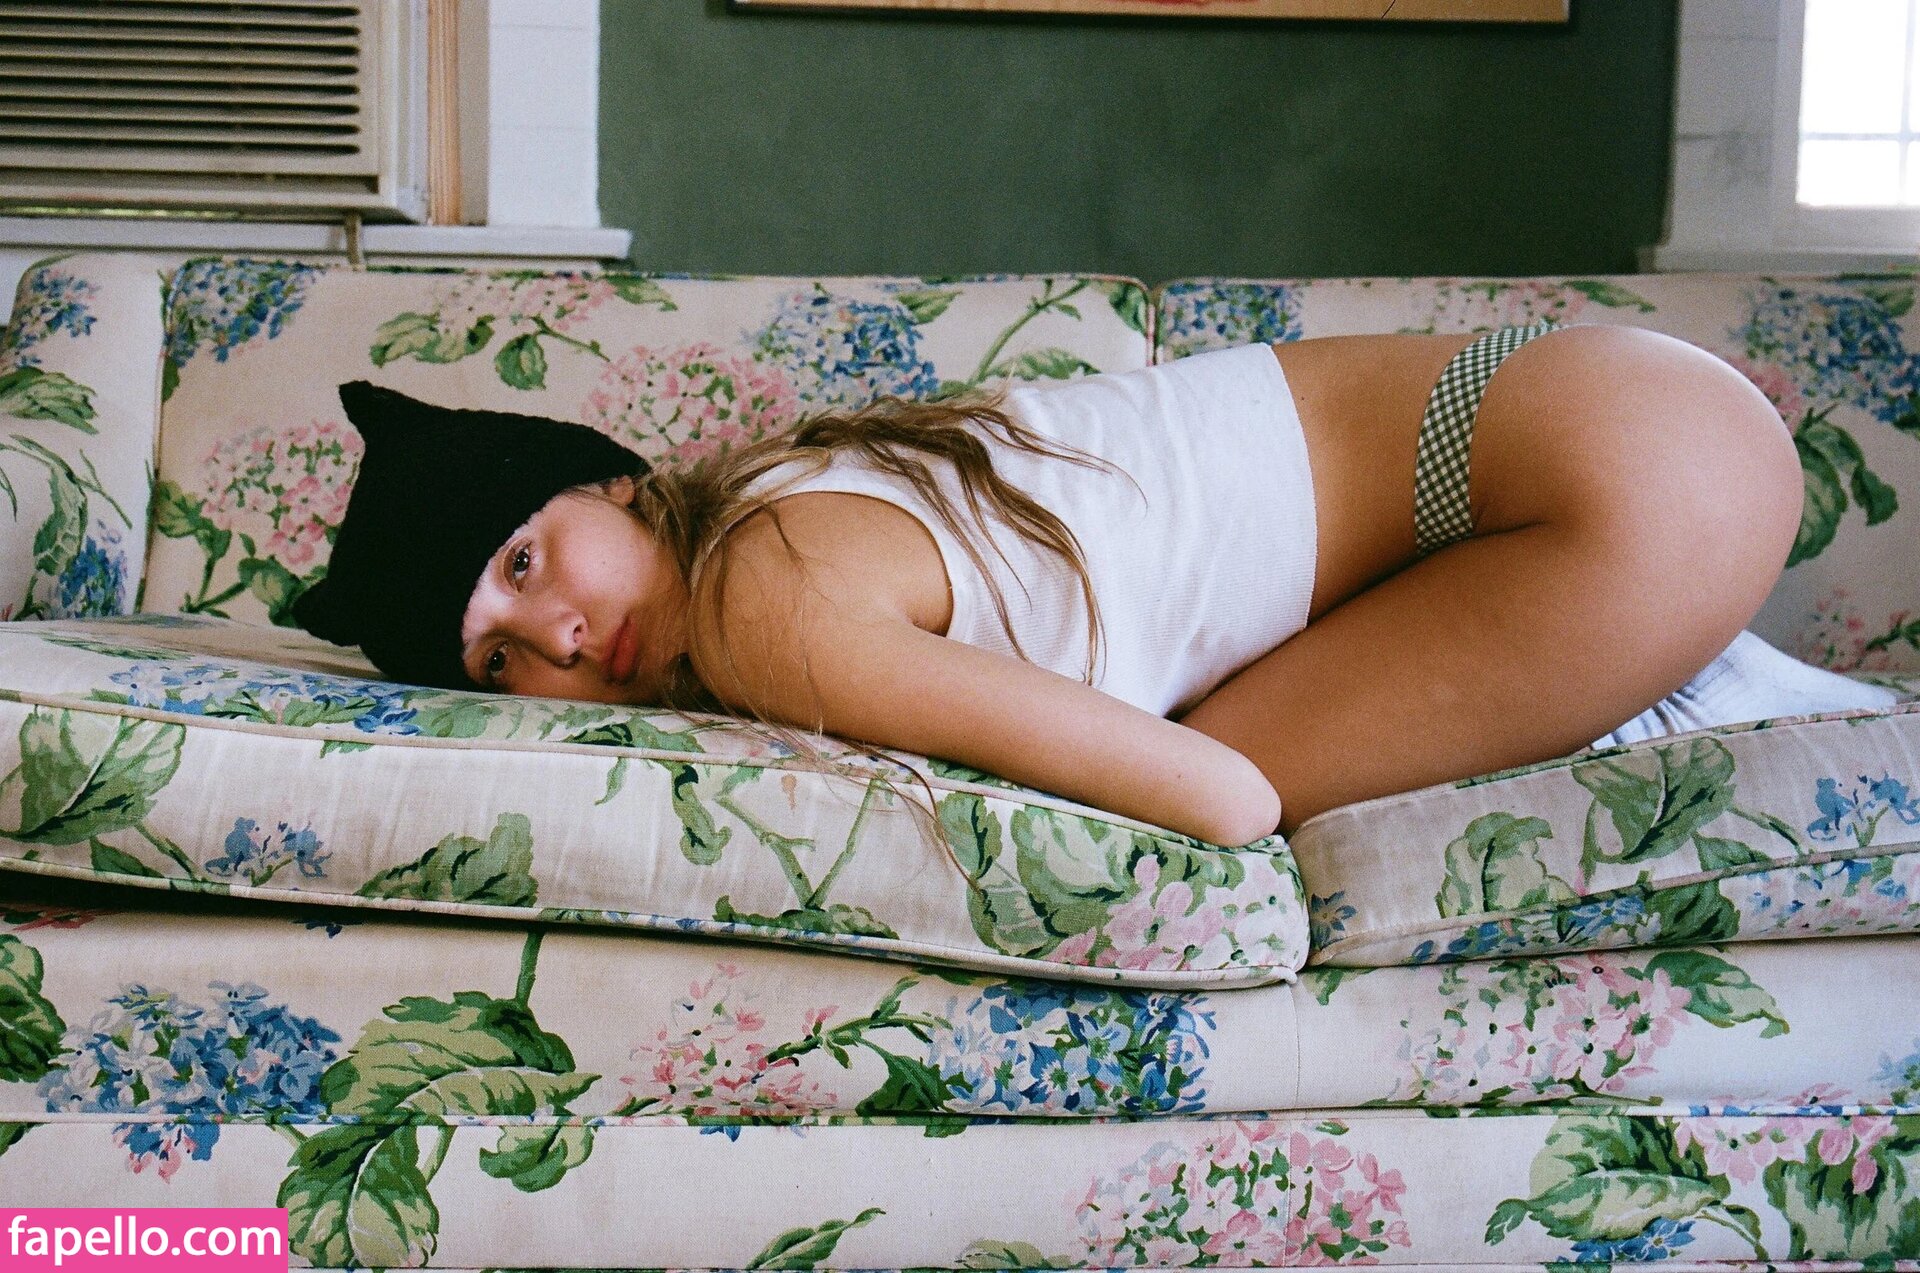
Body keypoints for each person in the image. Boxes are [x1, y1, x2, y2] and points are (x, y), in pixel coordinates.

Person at [293, 325, 1898, 845]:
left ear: (604, 482)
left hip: (1600, 479)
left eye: (521, 563)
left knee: (1239, 776)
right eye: (497, 660)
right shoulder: (792, 488)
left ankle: (1699, 676)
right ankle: (1725, 686)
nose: (559, 636)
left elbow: (1216, 802)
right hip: (1606, 409)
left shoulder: (760, 602)